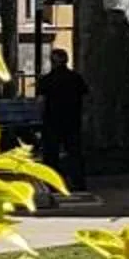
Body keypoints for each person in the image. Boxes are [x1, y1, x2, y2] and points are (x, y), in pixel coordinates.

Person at [40, 51, 89, 192]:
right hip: (72, 120)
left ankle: (52, 182)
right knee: (74, 152)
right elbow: (85, 97)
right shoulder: (76, 78)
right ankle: (78, 182)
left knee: (51, 154)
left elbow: (41, 101)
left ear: (52, 62)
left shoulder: (47, 79)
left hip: (52, 120)